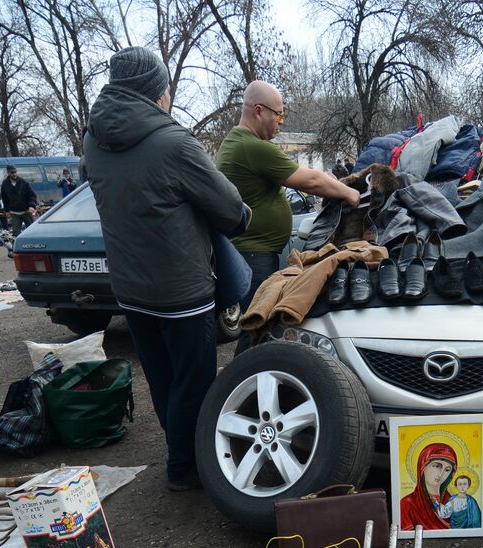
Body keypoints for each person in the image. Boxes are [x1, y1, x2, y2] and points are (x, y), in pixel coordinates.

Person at [81, 47, 251, 492]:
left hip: (130, 287)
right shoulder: (175, 143)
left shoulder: (93, 140)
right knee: (192, 381)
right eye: (167, 88)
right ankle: (187, 467)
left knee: (161, 378)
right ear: (158, 92)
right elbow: (230, 208)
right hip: (181, 288)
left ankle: (180, 455)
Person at [215, 80, 358, 349]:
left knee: (257, 328)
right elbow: (310, 181)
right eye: (278, 114)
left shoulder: (238, 142)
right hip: (254, 257)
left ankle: (249, 382)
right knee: (257, 330)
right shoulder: (252, 147)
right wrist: (350, 194)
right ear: (259, 111)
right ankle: (246, 385)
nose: (281, 122)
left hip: (251, 255)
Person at [399, 442, 459, 531]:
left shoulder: (453, 502)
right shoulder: (407, 505)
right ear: (423, 466)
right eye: (437, 466)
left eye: (447, 469)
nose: (441, 473)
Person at [0, 165, 36, 238]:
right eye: (12, 172)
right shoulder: (5, 184)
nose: (14, 174)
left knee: (31, 230)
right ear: (8, 173)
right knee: (16, 233)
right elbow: (4, 199)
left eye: (15, 172)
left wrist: (31, 206)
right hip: (14, 212)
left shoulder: (23, 182)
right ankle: (19, 248)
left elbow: (32, 195)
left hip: (26, 211)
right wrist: (6, 210)